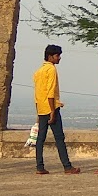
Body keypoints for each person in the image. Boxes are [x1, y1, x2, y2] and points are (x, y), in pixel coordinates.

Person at [32, 44, 79, 175]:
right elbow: (50, 92)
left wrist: (38, 110)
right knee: (59, 138)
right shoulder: (51, 70)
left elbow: (38, 93)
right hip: (51, 107)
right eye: (57, 56)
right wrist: (52, 111)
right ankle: (67, 166)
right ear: (50, 56)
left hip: (41, 108)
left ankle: (39, 166)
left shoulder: (38, 71)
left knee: (40, 138)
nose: (59, 58)